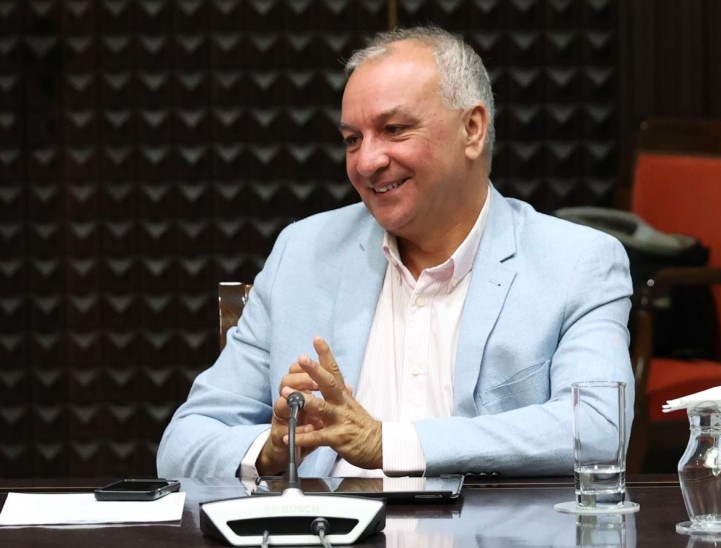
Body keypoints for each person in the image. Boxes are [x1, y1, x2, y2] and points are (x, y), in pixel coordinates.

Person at [157, 26, 634, 480]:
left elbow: (598, 428)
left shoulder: (577, 263)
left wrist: (389, 444)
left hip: (488, 526)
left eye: (394, 129)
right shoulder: (301, 254)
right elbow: (184, 443)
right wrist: (273, 448)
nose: (367, 161)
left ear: (472, 129)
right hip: (328, 526)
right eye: (352, 139)